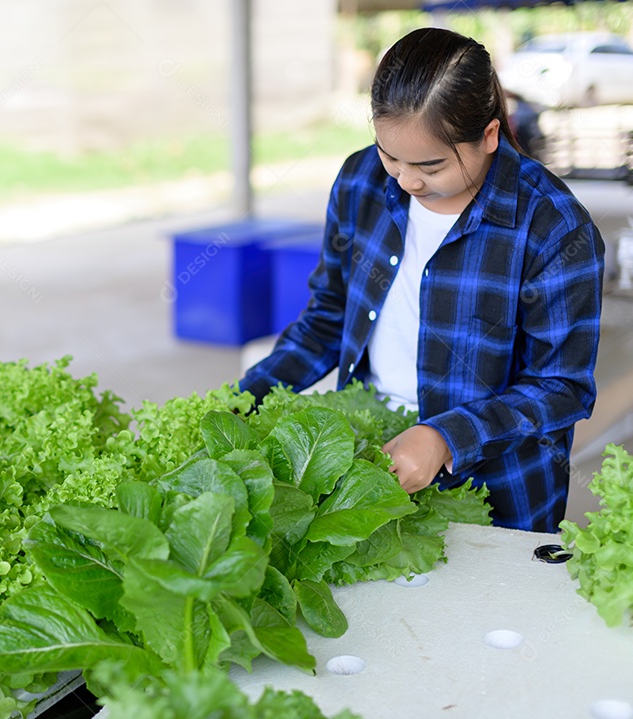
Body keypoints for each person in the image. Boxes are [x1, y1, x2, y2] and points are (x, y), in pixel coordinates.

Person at [239, 27, 604, 533]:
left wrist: (445, 438)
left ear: (489, 136)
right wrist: (243, 399)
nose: (407, 181)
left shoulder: (554, 227)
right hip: (368, 462)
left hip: (500, 490)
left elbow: (561, 387)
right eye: (390, 156)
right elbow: (328, 318)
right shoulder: (361, 181)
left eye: (431, 166)